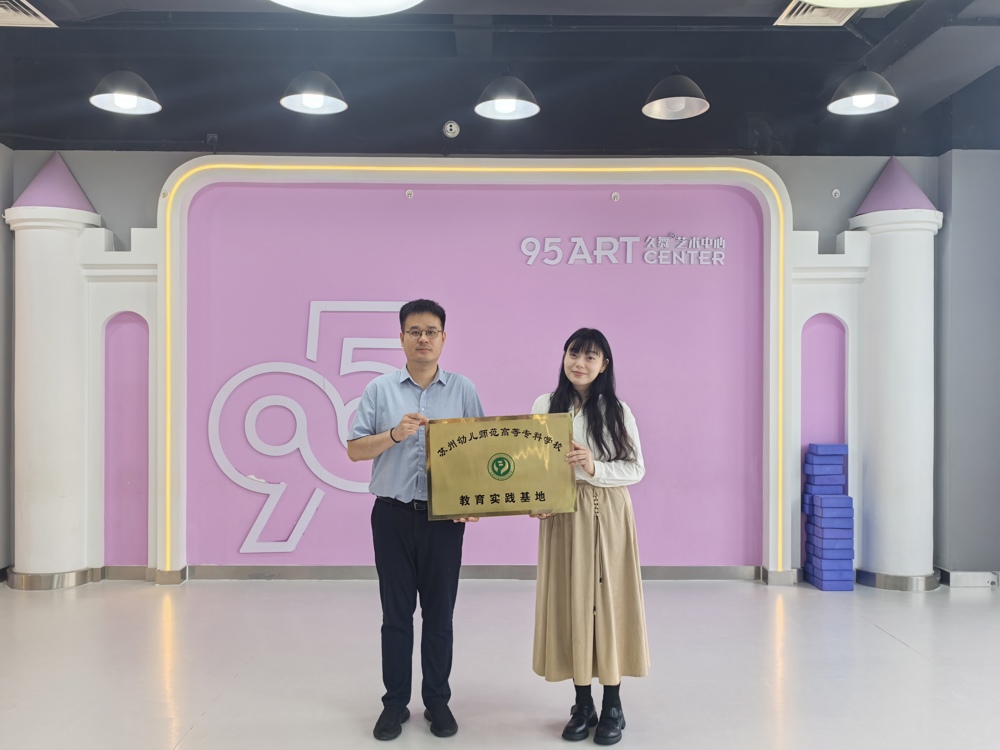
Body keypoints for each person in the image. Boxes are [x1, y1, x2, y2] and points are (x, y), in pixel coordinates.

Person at [348, 299, 484, 741]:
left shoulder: (463, 389)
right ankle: (394, 704)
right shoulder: (380, 390)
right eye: (414, 331)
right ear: (401, 337)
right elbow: (354, 450)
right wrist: (394, 434)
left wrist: (474, 502)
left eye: (431, 331)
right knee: (396, 616)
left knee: (440, 615)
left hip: (444, 521)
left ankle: (438, 702)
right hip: (392, 516)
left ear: (444, 337)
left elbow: (480, 454)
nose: (423, 338)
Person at [530, 328, 649, 746]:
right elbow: (535, 464)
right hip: (563, 514)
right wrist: (537, 499)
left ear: (604, 365)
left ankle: (613, 703)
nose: (579, 363)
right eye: (573, 354)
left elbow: (635, 469)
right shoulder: (545, 405)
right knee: (572, 603)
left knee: (609, 604)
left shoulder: (617, 410)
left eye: (590, 357)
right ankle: (583, 703)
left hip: (608, 511)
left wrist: (593, 465)